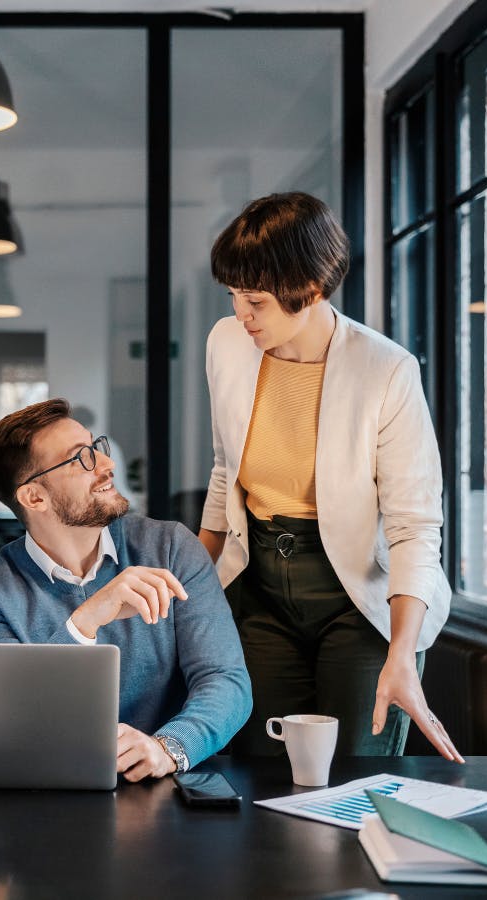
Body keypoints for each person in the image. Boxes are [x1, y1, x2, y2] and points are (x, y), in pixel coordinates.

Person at [198, 191, 462, 761]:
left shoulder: (386, 371)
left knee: (352, 774)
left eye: (257, 302)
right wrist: (197, 583)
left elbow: (415, 529)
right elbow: (226, 473)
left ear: (311, 291)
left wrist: (401, 654)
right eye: (234, 297)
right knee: (266, 772)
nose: (240, 315)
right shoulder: (227, 345)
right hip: (262, 587)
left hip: (359, 599)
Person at [0, 399, 249, 781]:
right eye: (80, 459)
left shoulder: (171, 548)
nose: (106, 465)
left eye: (96, 448)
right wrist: (86, 621)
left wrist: (166, 749)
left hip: (169, 787)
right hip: (49, 793)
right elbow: (14, 718)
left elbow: (226, 681)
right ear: (34, 497)